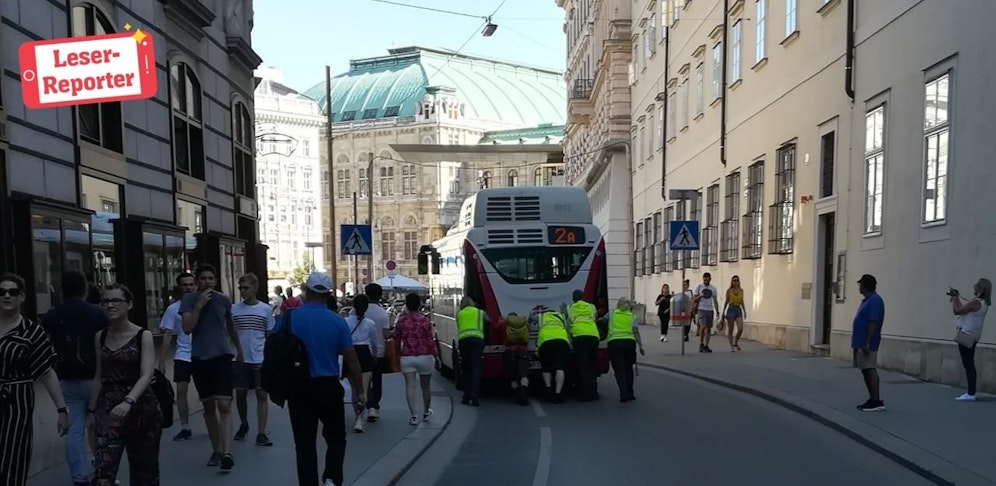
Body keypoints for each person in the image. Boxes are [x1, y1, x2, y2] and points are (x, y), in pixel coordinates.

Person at [275, 272, 364, 486]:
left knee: (304, 443)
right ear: (328, 294)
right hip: (328, 386)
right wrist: (360, 390)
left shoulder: (287, 318)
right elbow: (351, 360)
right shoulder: (337, 322)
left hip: (298, 387)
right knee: (335, 437)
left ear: (306, 290)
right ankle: (331, 477)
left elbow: (273, 347)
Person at [40, 271, 110, 485]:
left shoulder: (52, 315)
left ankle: (79, 475)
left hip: (67, 379)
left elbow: (44, 343)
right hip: (95, 377)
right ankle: (104, 470)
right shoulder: (98, 313)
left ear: (62, 290)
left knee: (74, 430)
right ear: (85, 289)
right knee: (100, 428)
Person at [87, 284, 162, 485]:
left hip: (140, 408)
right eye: (105, 301)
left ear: (128, 304)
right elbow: (99, 375)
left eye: (115, 301)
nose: (110, 305)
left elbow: (147, 374)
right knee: (103, 471)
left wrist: (128, 401)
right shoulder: (100, 336)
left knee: (144, 473)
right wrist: (92, 412)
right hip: (108, 409)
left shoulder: (142, 336)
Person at [0, 273, 69, 486]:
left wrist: (61, 410)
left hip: (15, 401)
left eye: (12, 292)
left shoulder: (31, 331)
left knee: (11, 457)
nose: (6, 296)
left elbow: (46, 372)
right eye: (1, 292)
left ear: (22, 297)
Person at [179, 263, 243, 470]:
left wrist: (239, 350)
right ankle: (216, 450)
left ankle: (227, 452)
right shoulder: (189, 300)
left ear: (215, 280)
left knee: (224, 405)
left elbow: (230, 325)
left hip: (222, 356)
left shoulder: (223, 299)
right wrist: (198, 306)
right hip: (200, 358)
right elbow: (187, 328)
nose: (207, 282)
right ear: (197, 281)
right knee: (208, 406)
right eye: (203, 279)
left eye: (210, 278)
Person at [232, 273, 277, 446]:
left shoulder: (265, 309)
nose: (243, 291)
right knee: (241, 393)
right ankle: (244, 424)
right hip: (240, 357)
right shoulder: (234, 309)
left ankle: (261, 431)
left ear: (255, 288)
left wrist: (269, 357)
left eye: (246, 288)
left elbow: (269, 334)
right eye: (241, 288)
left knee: (261, 394)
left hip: (259, 356)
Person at [388, 293, 439, 425]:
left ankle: (414, 415)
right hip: (424, 355)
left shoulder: (402, 321)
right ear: (420, 305)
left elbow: (396, 339)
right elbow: (430, 340)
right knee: (425, 386)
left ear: (406, 305)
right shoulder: (425, 321)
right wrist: (436, 355)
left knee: (410, 386)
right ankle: (426, 412)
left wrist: (397, 355)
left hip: (407, 356)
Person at [157, 272, 196, 441]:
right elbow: (167, 334)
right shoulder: (173, 309)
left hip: (202, 354)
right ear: (179, 287)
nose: (188, 287)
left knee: (209, 395)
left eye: (190, 284)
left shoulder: (201, 306)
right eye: (184, 285)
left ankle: (213, 420)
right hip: (182, 354)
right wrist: (162, 360)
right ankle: (185, 427)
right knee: (181, 390)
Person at [949, 278, 991, 402]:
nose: (974, 287)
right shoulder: (982, 303)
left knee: (968, 364)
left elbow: (957, 311)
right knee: (969, 364)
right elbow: (963, 310)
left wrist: (955, 297)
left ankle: (971, 393)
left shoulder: (977, 303)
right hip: (973, 335)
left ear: (980, 288)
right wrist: (957, 298)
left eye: (976, 285)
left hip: (966, 335)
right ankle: (971, 392)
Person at [598, 297, 645, 402]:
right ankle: (630, 393)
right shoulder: (633, 316)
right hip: (629, 344)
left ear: (618, 304)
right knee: (628, 369)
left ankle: (623, 394)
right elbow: (636, 332)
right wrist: (640, 346)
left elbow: (601, 321)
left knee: (619, 370)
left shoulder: (611, 314)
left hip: (615, 344)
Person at [343, 294, 378, 432]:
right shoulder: (370, 323)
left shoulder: (346, 321)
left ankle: (357, 416)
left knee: (354, 389)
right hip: (365, 353)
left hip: (350, 353)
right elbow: (374, 343)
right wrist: (375, 354)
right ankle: (360, 420)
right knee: (363, 388)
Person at [852, 274, 885, 412]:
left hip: (868, 342)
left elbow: (873, 322)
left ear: (864, 285)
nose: (859, 287)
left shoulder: (874, 301)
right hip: (861, 341)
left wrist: (867, 342)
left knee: (870, 369)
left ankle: (876, 400)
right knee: (865, 370)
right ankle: (872, 399)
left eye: (860, 284)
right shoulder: (867, 300)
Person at [564, 290, 600, 402]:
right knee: (592, 365)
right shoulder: (591, 307)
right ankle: (594, 392)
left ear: (573, 298)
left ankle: (584, 393)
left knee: (582, 365)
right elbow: (595, 318)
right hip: (593, 336)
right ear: (583, 297)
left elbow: (568, 324)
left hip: (579, 337)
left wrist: (569, 338)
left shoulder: (570, 308)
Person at [362, 283, 390, 421]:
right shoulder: (383, 313)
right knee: (377, 380)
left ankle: (366, 404)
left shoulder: (357, 311)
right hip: (378, 351)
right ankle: (374, 407)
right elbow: (386, 334)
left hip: (360, 350)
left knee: (363, 380)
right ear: (380, 296)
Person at [534, 306, 571, 403]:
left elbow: (530, 320)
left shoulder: (541, 316)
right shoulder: (562, 316)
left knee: (546, 367)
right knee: (560, 367)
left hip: (545, 341)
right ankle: (558, 393)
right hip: (561, 341)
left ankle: (548, 390)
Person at [456, 296, 488, 406]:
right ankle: (474, 396)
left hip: (464, 342)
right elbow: (489, 321)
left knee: (466, 369)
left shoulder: (459, 314)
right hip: (477, 341)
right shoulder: (480, 312)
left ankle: (466, 396)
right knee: (476, 369)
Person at [504, 313, 530, 406]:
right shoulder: (524, 322)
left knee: (513, 377)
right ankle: (524, 396)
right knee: (524, 375)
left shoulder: (506, 323)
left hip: (510, 350)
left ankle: (517, 396)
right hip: (523, 350)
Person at [694, 273, 720, 353]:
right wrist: (700, 296)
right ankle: (701, 343)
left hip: (710, 309)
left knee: (708, 328)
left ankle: (706, 345)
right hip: (701, 309)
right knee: (703, 326)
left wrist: (717, 311)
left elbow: (715, 300)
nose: (706, 281)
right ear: (703, 279)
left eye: (707, 280)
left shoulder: (713, 288)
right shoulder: (699, 287)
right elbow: (694, 299)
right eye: (705, 280)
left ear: (710, 279)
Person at [722, 275, 746, 352]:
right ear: (732, 282)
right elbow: (726, 301)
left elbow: (742, 301)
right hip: (731, 309)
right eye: (734, 280)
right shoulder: (729, 291)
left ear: (739, 282)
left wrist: (744, 311)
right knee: (731, 329)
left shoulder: (741, 291)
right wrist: (723, 312)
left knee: (740, 328)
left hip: (738, 309)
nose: (735, 282)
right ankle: (731, 345)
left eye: (737, 280)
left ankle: (736, 342)